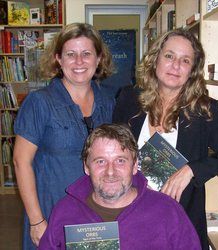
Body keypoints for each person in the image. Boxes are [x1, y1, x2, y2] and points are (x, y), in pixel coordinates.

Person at [112, 29, 218, 249]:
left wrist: (191, 170)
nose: (175, 65)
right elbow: (114, 150)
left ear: (192, 70)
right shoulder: (129, 99)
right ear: (155, 59)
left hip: (178, 225)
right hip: (131, 220)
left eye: (185, 60)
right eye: (169, 56)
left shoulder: (204, 110)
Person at [13, 23, 115, 250]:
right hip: (51, 211)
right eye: (71, 54)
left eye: (86, 54)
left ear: (98, 59)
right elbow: (21, 162)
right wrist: (37, 220)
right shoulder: (39, 103)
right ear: (59, 59)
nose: (79, 62)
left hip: (97, 215)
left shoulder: (109, 103)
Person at [38, 123, 201, 250]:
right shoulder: (65, 210)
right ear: (86, 167)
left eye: (120, 161)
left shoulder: (168, 211)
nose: (110, 171)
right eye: (100, 161)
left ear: (135, 165)